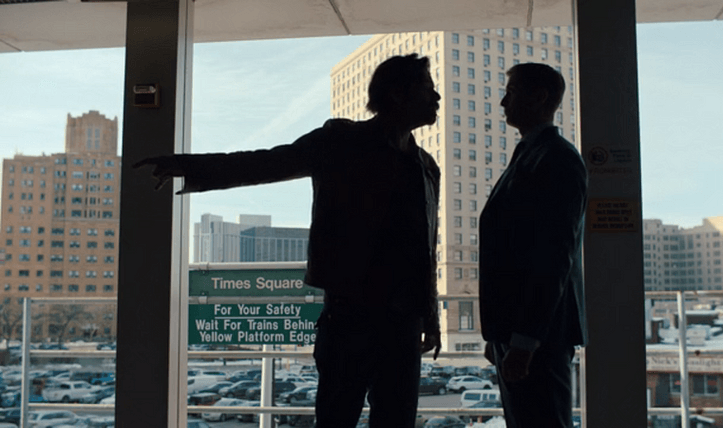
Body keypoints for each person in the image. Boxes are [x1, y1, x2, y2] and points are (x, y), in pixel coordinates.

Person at [136, 54, 442, 428]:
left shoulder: (427, 166)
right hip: (350, 320)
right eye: (428, 88)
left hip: (402, 324)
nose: (437, 97)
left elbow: (428, 248)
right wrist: (189, 166)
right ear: (398, 94)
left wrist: (430, 316)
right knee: (335, 418)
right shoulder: (342, 141)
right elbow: (267, 163)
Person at [478, 63, 588, 428]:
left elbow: (553, 256)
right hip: (521, 333)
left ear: (538, 97)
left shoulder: (555, 159)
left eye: (510, 92)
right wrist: (499, 335)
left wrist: (524, 342)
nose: (502, 102)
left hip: (537, 337)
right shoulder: (533, 154)